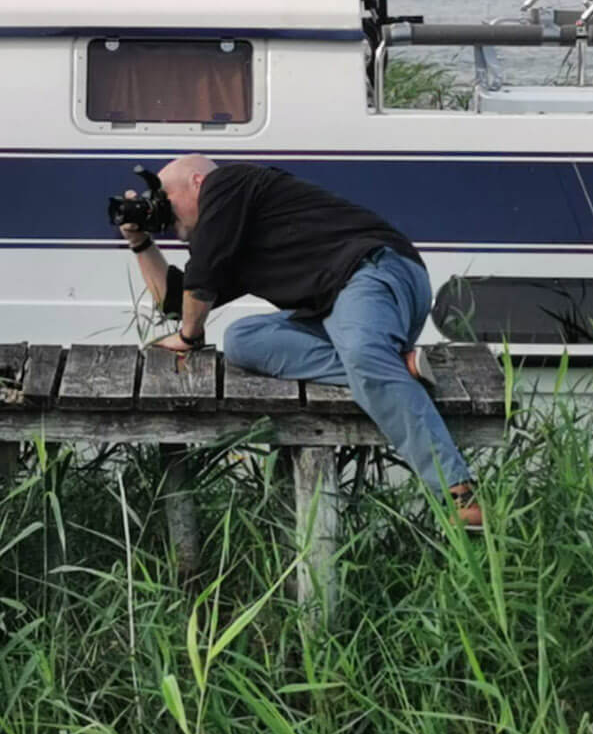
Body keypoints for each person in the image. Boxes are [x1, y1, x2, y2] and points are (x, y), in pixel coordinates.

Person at [121, 154, 482, 527]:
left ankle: (457, 491)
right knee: (243, 338)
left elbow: (199, 286)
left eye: (165, 197)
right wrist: (140, 241)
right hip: (334, 311)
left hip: (373, 272)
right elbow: (178, 302)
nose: (162, 209)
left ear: (197, 182)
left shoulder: (228, 183)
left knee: (362, 352)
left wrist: (188, 338)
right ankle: (394, 365)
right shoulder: (231, 236)